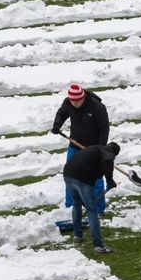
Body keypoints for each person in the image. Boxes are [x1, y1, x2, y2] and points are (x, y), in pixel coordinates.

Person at [50, 83, 110, 215]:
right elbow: (62, 113)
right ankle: (71, 205)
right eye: (72, 101)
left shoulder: (97, 107)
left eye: (77, 101)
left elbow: (104, 129)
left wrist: (100, 149)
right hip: (75, 145)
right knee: (70, 174)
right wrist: (57, 124)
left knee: (96, 178)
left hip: (93, 148)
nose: (75, 104)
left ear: (83, 97)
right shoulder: (68, 102)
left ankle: (98, 208)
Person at [63, 141, 119, 254]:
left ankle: (78, 237)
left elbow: (98, 168)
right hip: (82, 178)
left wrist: (106, 178)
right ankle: (98, 246)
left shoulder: (95, 147)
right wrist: (110, 180)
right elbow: (108, 162)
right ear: (114, 152)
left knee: (77, 205)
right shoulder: (108, 152)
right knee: (91, 210)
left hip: (68, 175)